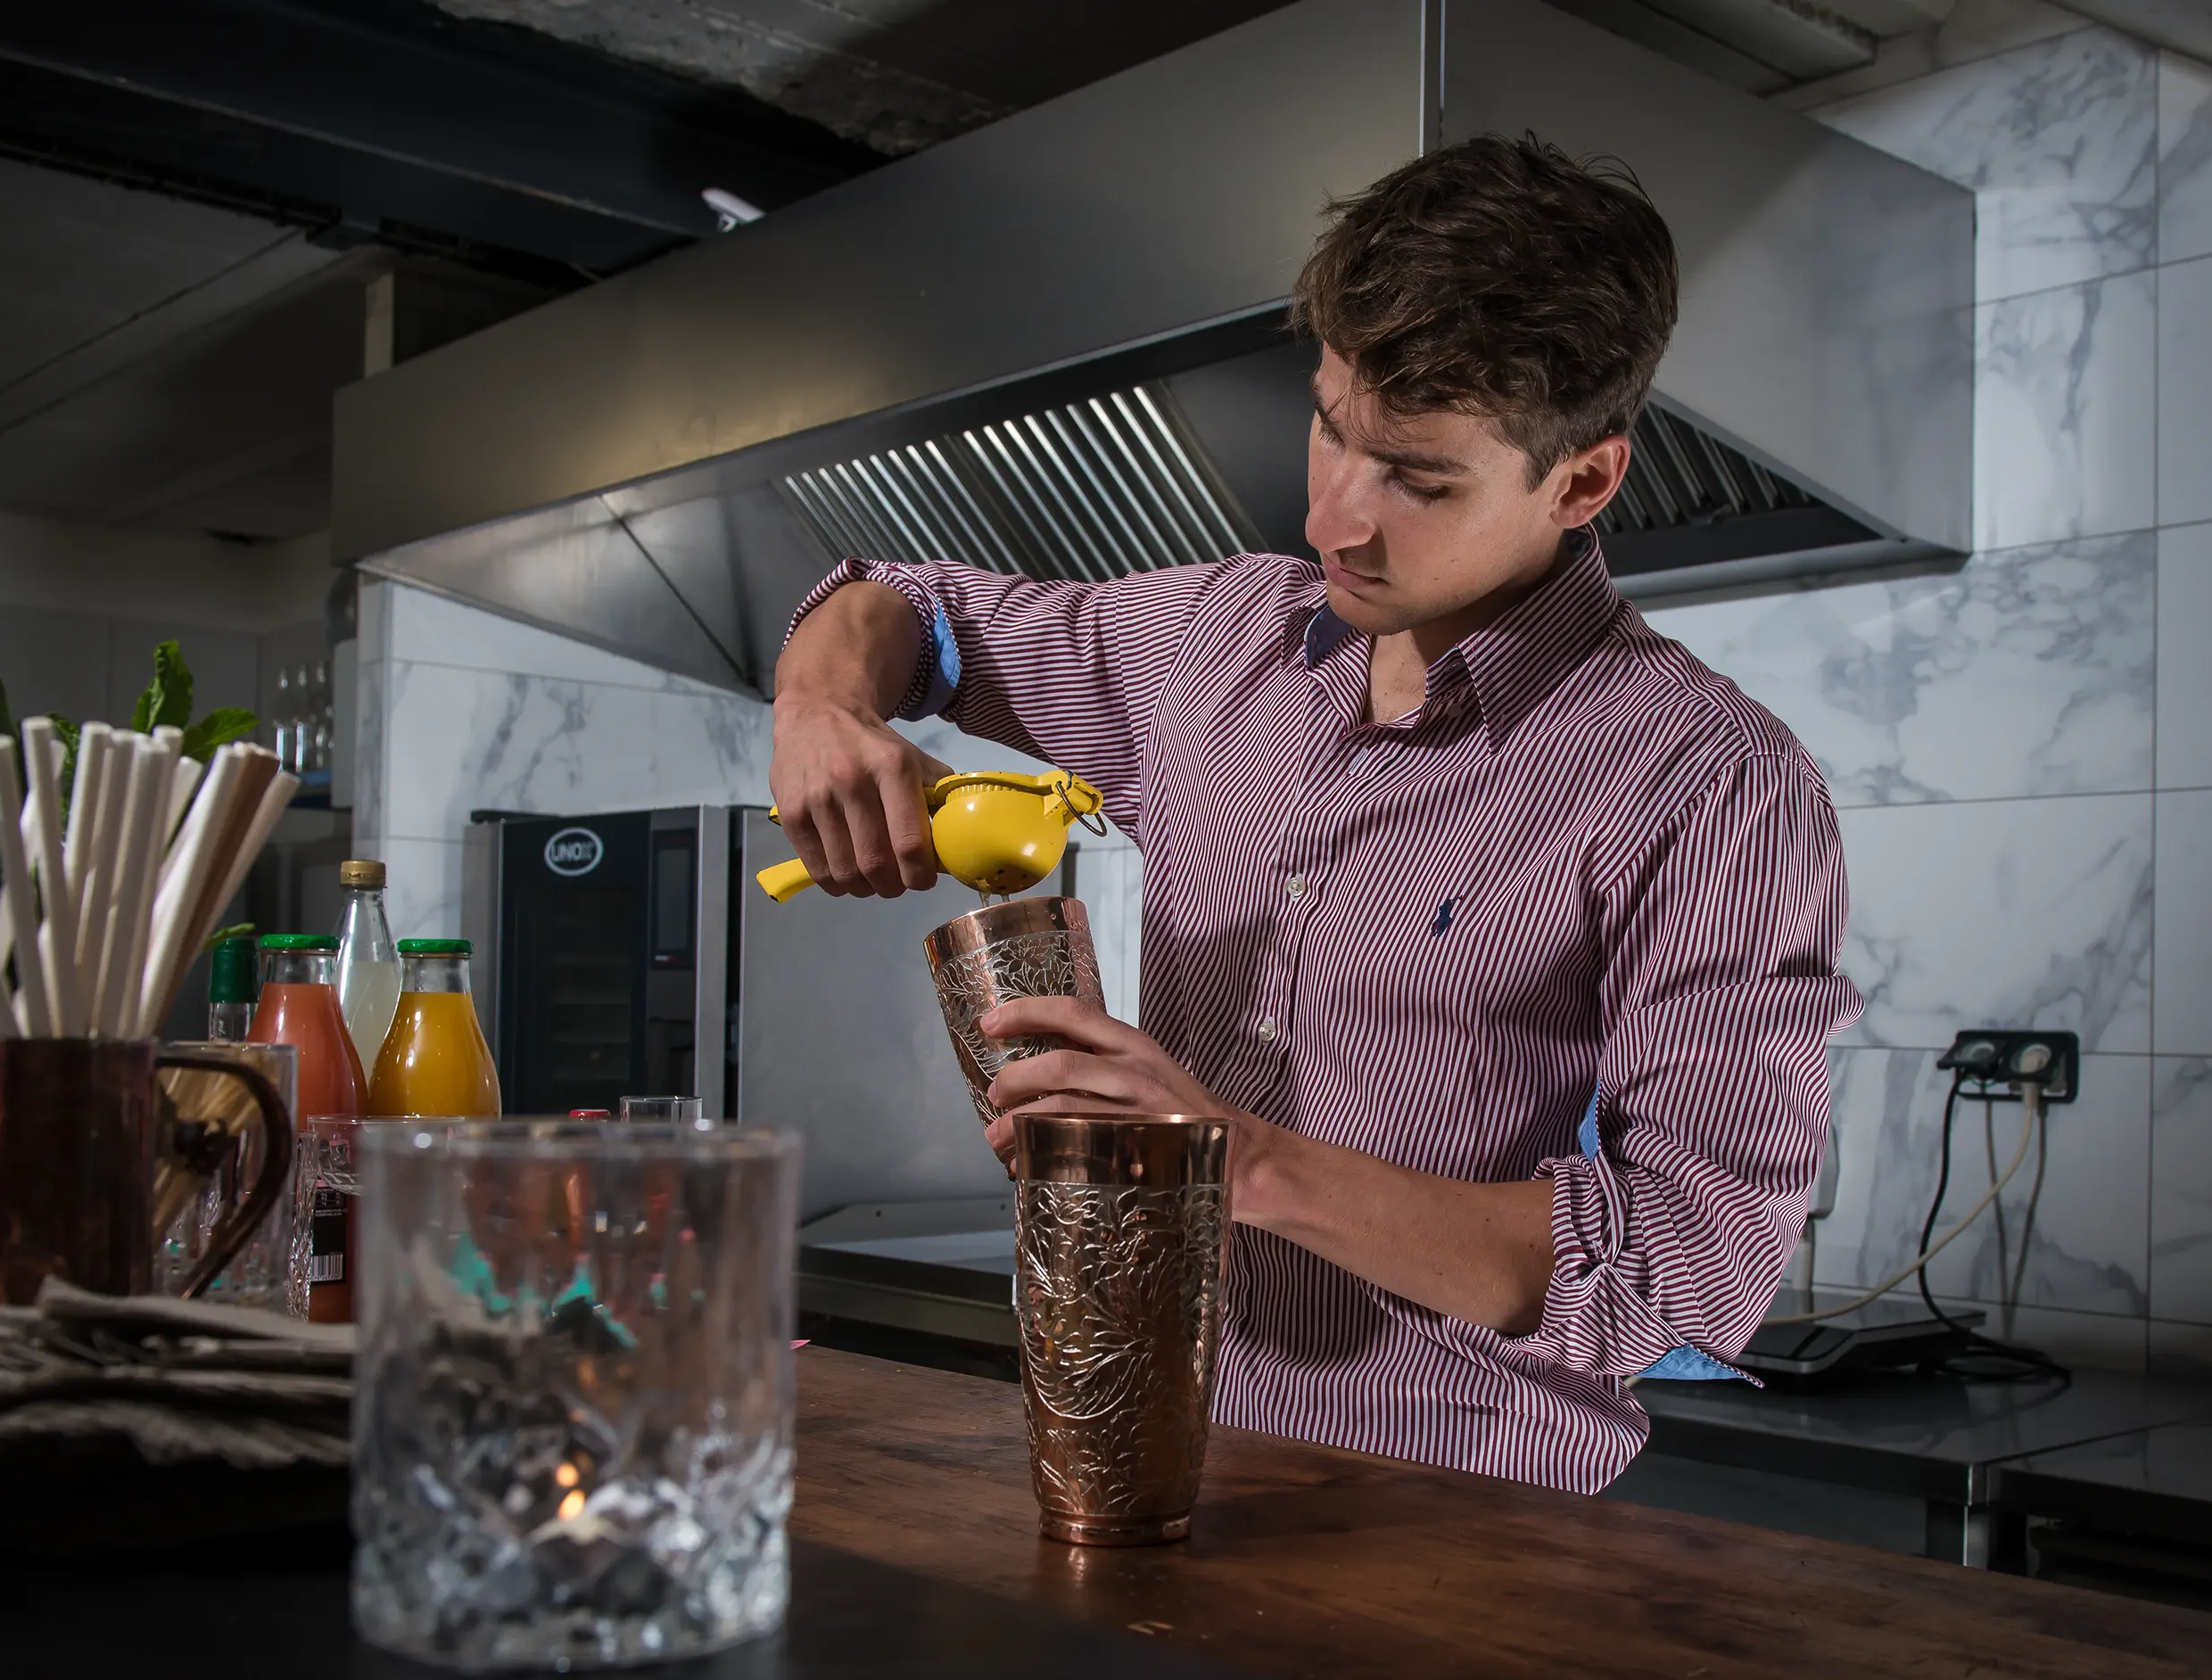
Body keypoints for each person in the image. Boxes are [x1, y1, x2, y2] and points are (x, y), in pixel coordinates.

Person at [766, 136, 1863, 1494]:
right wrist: (822, 704)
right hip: (1139, 1460)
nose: (1332, 516)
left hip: (1461, 1531)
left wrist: (1236, 1161)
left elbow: (1692, 1269)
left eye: (1416, 478)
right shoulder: (1212, 638)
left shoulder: (1710, 785)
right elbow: (907, 608)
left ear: (1580, 482)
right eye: (1329, 425)